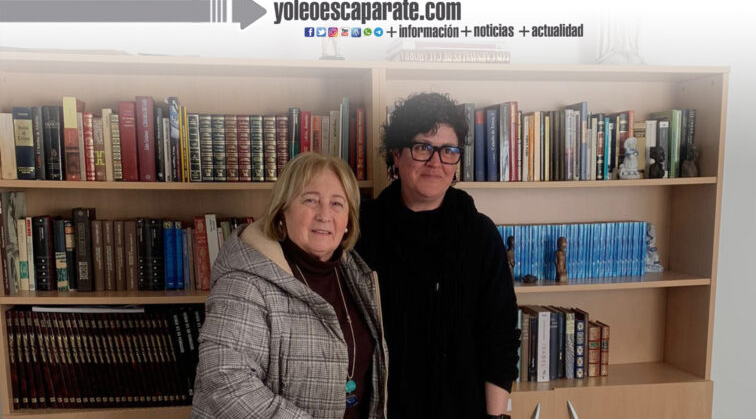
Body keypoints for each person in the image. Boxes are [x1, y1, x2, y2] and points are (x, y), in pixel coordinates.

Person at [356, 92, 520, 419]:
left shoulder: (480, 235)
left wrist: (496, 417)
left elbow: (500, 336)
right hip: (377, 410)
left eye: (448, 151)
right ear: (396, 154)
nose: (436, 162)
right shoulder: (361, 230)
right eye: (423, 148)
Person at [193, 152, 387, 419]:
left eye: (337, 204)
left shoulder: (355, 274)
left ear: (348, 221)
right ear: (282, 211)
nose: (324, 215)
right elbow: (226, 382)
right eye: (310, 200)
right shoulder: (244, 281)